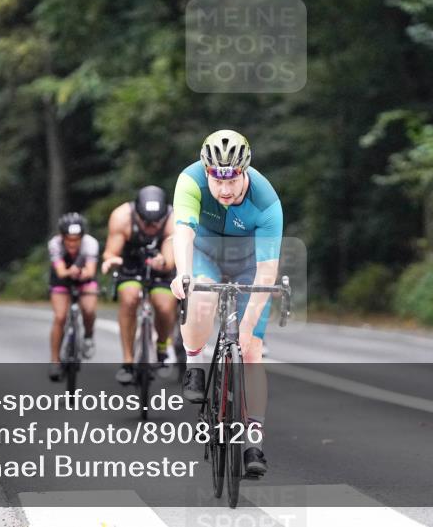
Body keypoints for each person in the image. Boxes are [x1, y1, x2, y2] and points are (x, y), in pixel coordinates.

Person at [170, 129, 283, 479]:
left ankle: (253, 441)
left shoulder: (266, 201)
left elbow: (266, 272)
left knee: (251, 351)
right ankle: (193, 362)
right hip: (205, 254)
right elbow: (184, 231)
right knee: (200, 293)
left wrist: (247, 329)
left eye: (232, 179)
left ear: (244, 171)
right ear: (206, 172)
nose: (224, 190)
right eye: (216, 180)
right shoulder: (189, 181)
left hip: (249, 264)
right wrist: (182, 273)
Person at [101, 186, 176, 385]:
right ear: (137, 214)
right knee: (129, 298)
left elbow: (170, 260)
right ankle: (127, 361)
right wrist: (111, 261)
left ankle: (162, 346)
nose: (151, 227)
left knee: (165, 306)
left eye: (156, 223)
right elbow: (110, 252)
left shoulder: (173, 219)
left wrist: (162, 263)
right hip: (130, 264)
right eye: (146, 222)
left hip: (160, 266)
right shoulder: (121, 216)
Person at [47, 213, 99, 381]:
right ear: (62, 237)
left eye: (76, 239)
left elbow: (90, 270)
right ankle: (55, 360)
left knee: (89, 310)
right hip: (61, 280)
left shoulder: (90, 244)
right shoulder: (54, 244)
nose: (72, 243)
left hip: (84, 279)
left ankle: (88, 336)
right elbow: (61, 271)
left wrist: (81, 274)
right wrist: (71, 272)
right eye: (68, 239)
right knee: (60, 316)